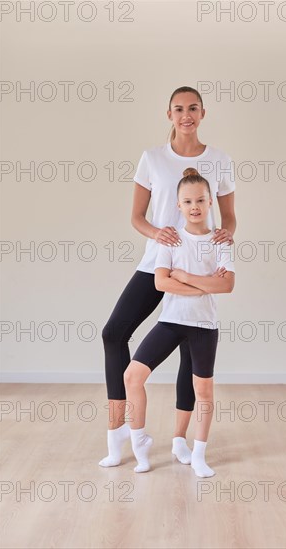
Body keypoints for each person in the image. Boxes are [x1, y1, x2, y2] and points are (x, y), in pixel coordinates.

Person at [99, 86, 236, 468]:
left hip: (198, 264)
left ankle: (180, 440)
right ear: (169, 114)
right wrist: (156, 233)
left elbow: (229, 218)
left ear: (203, 113)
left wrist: (227, 234)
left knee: (189, 349)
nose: (186, 115)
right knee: (114, 332)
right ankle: (118, 429)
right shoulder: (152, 159)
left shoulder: (220, 160)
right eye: (179, 109)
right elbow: (137, 218)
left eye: (193, 108)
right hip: (157, 262)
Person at [123, 167, 235, 478]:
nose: (194, 206)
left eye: (200, 200)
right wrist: (203, 283)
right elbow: (161, 283)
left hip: (204, 326)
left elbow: (227, 286)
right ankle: (139, 442)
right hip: (172, 321)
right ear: (178, 206)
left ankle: (198, 453)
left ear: (211, 202)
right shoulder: (170, 240)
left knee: (203, 391)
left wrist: (184, 276)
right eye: (187, 202)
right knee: (132, 376)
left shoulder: (221, 241)